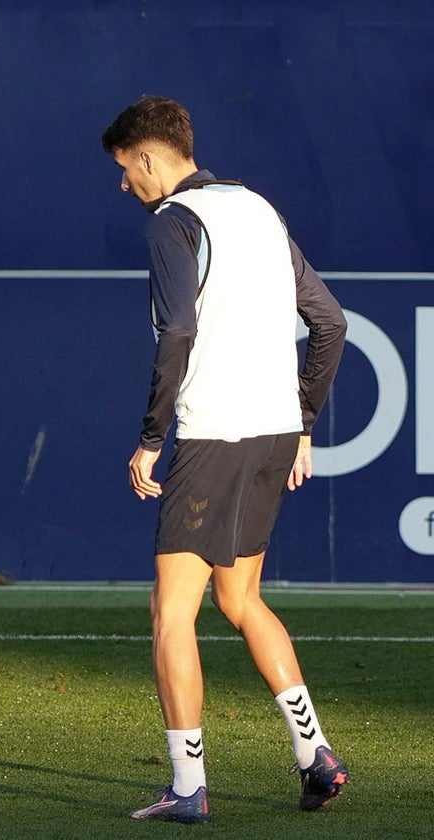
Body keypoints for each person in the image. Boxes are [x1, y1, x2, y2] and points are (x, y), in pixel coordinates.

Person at [100, 96, 350, 823]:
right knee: (240, 601)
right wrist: (302, 422)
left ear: (148, 158)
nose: (124, 185)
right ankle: (316, 755)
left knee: (170, 610)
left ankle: (187, 786)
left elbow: (176, 328)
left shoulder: (171, 221)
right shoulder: (258, 207)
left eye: (125, 170)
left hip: (211, 435)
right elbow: (329, 322)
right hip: (273, 433)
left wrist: (151, 437)